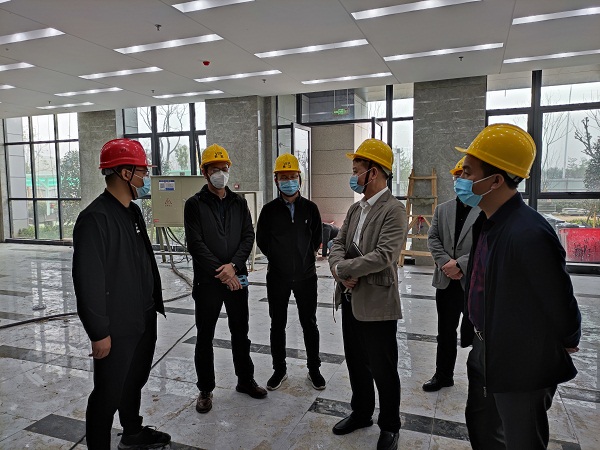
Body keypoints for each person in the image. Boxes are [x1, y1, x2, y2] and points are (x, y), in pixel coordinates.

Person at [456, 124, 582, 449]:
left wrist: (568, 337)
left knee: (521, 437)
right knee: (483, 427)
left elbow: (559, 298)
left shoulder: (529, 233)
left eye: (467, 172)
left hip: (521, 361)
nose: (460, 178)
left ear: (496, 180)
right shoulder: (488, 222)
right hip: (485, 348)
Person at [72, 138, 171, 450]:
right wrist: (98, 332)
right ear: (125, 173)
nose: (145, 178)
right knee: (107, 393)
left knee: (134, 380)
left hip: (143, 315)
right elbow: (87, 281)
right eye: (142, 171)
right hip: (117, 326)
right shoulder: (95, 219)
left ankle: (132, 432)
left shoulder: (133, 212)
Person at [328, 138, 407, 450]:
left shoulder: (394, 210)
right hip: (350, 298)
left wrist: (346, 269)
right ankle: (361, 413)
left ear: (372, 173)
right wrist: (339, 269)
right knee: (356, 362)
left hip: (377, 303)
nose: (353, 176)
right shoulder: (355, 208)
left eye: (356, 170)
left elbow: (384, 255)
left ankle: (390, 425)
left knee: (383, 368)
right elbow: (337, 243)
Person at [184, 143, 267, 414]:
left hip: (237, 278)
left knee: (240, 332)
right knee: (205, 336)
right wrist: (222, 272)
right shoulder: (194, 204)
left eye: (224, 168)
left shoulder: (238, 202)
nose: (221, 173)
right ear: (205, 172)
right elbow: (196, 244)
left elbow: (248, 236)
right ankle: (205, 389)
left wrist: (234, 266)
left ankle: (245, 380)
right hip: (208, 281)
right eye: (215, 169)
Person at [256, 153, 325, 391]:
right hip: (278, 277)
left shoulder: (310, 209)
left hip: (306, 276)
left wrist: (306, 258)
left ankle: (314, 369)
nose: (288, 181)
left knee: (309, 323)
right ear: (276, 180)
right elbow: (262, 241)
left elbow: (317, 237)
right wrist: (278, 259)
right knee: (278, 324)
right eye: (283, 177)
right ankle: (279, 370)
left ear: (300, 179)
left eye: (292, 176)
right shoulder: (269, 211)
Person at [422, 157, 480, 392]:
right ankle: (443, 375)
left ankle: (480, 379)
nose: (459, 180)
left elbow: (485, 246)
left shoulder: (484, 210)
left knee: (477, 333)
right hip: (446, 281)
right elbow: (433, 238)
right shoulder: (443, 209)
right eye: (456, 176)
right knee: (445, 332)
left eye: (463, 175)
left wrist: (461, 265)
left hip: (472, 282)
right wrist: (446, 263)